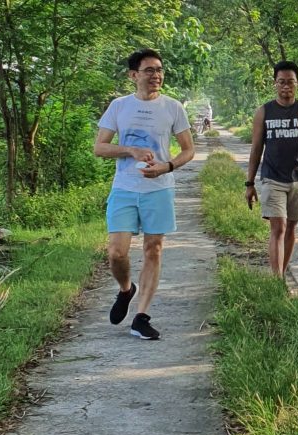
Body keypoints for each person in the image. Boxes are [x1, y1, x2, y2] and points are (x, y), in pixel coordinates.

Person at [93, 48, 195, 340]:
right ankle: (126, 289)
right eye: (149, 70)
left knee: (154, 249)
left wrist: (167, 166)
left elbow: (188, 150)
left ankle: (141, 316)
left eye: (160, 70)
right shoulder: (119, 106)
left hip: (158, 190)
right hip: (124, 188)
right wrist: (130, 150)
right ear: (133, 75)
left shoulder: (173, 107)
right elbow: (99, 147)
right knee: (116, 252)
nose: (156, 76)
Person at [245, 61, 298, 276]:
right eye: (281, 82)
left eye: (290, 82)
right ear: (274, 84)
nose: (286, 87)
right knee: (278, 227)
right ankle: (277, 279)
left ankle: (282, 272)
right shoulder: (264, 111)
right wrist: (249, 183)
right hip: (272, 178)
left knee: (291, 227)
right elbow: (256, 149)